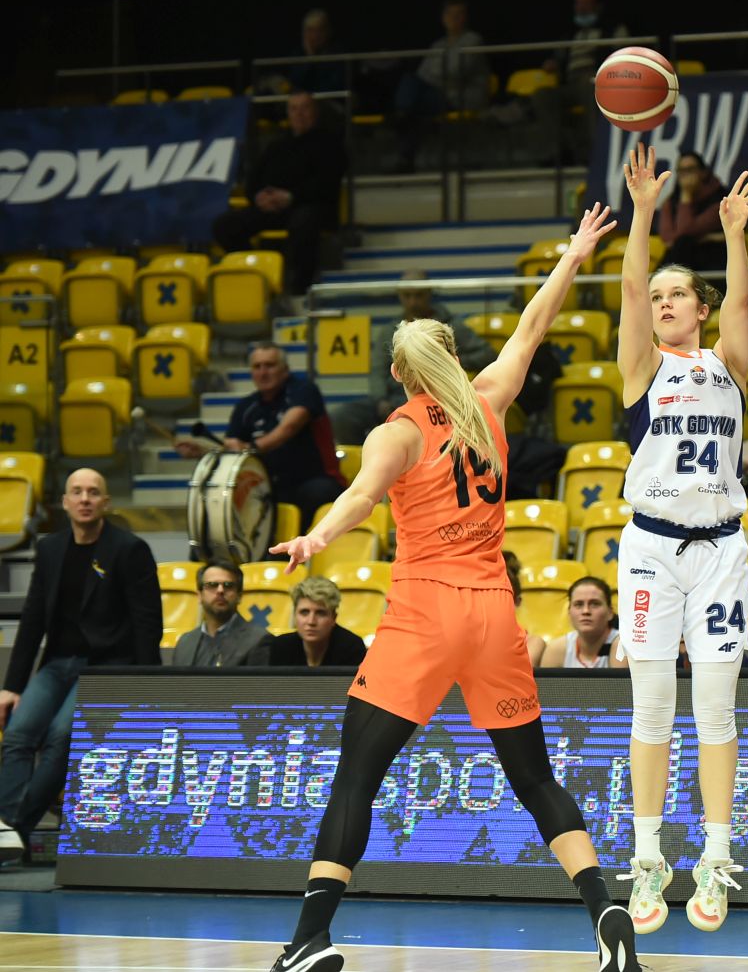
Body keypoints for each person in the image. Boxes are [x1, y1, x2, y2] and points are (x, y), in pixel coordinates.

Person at [261, 201, 637, 972]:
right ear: (453, 358)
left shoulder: (396, 431)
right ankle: (605, 909)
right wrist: (573, 255)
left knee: (356, 778)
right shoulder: (490, 401)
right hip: (495, 611)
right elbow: (533, 325)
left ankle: (308, 940)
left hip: (426, 609)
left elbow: (360, 496)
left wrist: (317, 538)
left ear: (399, 373)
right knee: (534, 778)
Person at [614, 142, 748, 935]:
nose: (664, 301)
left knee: (714, 710)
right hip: (650, 550)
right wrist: (643, 213)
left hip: (720, 553)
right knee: (651, 710)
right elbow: (629, 286)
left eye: (678, 293)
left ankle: (715, 856)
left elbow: (742, 300)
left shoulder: (727, 364)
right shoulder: (642, 368)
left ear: (700, 308)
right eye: (658, 295)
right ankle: (647, 860)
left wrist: (734, 233)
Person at [0, 469, 162, 863]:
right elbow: (33, 619)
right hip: (57, 663)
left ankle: (13, 829)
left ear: (106, 502)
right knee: (18, 733)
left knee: (61, 737)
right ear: (65, 502)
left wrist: (147, 684)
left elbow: (147, 623)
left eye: (93, 492)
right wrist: (12, 685)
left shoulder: (129, 549)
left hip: (105, 667)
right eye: (77, 492)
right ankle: (5, 826)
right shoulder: (51, 548)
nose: (85, 498)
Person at [176, 343, 347, 526]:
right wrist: (203, 451)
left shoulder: (304, 390)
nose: (263, 372)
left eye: (270, 365)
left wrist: (252, 447)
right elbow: (233, 449)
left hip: (314, 480)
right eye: (257, 367)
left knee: (316, 493)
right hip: (269, 486)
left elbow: (289, 427)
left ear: (285, 369)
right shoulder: (246, 407)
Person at [332, 272, 493, 444]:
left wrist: (445, 362)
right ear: (399, 296)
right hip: (394, 397)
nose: (413, 302)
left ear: (429, 294)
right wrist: (380, 400)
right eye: (407, 296)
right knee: (342, 416)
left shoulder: (449, 326)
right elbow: (378, 370)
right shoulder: (390, 330)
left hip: (437, 396)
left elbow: (487, 354)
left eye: (418, 295)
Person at [211, 91, 346, 296]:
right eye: (294, 109)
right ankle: (257, 272)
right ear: (288, 114)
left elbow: (326, 184)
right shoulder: (277, 146)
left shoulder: (330, 143)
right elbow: (253, 181)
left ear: (315, 112)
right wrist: (258, 197)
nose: (299, 114)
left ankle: (299, 289)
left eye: (305, 108)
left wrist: (290, 197)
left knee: (303, 222)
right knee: (224, 225)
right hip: (273, 209)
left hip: (311, 207)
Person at [393, 0, 489, 173]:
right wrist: (436, 77)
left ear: (465, 17)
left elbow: (457, 71)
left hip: (460, 97)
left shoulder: (473, 40)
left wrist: (435, 75)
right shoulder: (438, 45)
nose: (454, 18)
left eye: (458, 14)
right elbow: (422, 75)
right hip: (437, 95)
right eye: (450, 14)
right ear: (443, 18)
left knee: (414, 107)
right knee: (410, 82)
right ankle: (403, 117)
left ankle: (401, 117)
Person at [537, 0, 630, 163]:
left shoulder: (613, 29)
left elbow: (624, 56)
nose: (581, 8)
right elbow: (558, 57)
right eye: (578, 3)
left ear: (598, 6)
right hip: (571, 84)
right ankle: (558, 153)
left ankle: (596, 151)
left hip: (598, 82)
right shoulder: (570, 34)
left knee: (589, 86)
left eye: (586, 3)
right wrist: (553, 63)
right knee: (542, 95)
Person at [171, 558, 273, 667]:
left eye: (228, 585)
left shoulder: (258, 640)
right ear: (199, 595)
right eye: (212, 585)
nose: (220, 590)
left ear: (239, 596)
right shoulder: (185, 642)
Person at [253, 576, 367, 668]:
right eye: (304, 612)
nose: (311, 621)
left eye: (320, 613)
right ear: (294, 615)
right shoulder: (281, 646)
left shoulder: (352, 647)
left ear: (334, 618)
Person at [658, 152, 726, 272]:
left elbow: (686, 230)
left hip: (712, 259)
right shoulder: (671, 202)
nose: (685, 175)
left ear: (703, 173)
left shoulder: (721, 200)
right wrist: (707, 237)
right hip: (681, 257)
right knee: (682, 245)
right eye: (681, 170)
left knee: (684, 244)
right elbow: (667, 238)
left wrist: (686, 195)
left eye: (690, 169)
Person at [538, 577, 626, 668]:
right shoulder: (557, 649)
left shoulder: (622, 645)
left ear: (610, 612)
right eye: (578, 604)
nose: (585, 611)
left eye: (595, 604)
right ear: (569, 612)